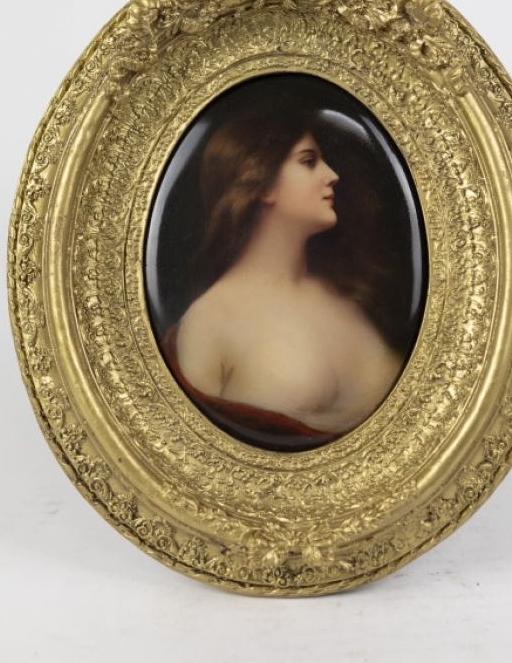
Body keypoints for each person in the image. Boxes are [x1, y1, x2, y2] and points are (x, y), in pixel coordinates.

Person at [161, 108, 404, 451]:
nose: (332, 175)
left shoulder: (344, 292)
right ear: (261, 181)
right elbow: (191, 454)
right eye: (309, 162)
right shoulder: (209, 321)